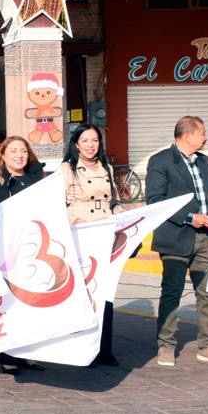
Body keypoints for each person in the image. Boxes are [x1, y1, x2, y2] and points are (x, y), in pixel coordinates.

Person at [146, 115, 208, 368]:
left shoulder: (205, 161)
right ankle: (166, 346)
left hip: (206, 238)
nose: (206, 137)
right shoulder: (160, 161)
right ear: (187, 135)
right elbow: (155, 201)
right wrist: (190, 218)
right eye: (202, 132)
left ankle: (207, 346)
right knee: (171, 293)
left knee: (207, 293)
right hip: (175, 237)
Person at [61, 123, 121, 367]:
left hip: (105, 234)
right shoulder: (66, 169)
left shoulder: (106, 167)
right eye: (85, 140)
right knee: (84, 294)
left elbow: (114, 201)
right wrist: (72, 219)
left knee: (105, 293)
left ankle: (104, 349)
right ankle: (81, 347)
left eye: (94, 140)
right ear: (76, 143)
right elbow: (56, 204)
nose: (90, 145)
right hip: (80, 236)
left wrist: (124, 214)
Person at [0, 135, 46, 375]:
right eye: (14, 151)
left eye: (23, 151)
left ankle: (28, 353)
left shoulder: (35, 180)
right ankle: (7, 354)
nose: (19, 155)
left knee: (30, 303)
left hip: (31, 249)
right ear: (3, 155)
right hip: (3, 251)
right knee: (8, 304)